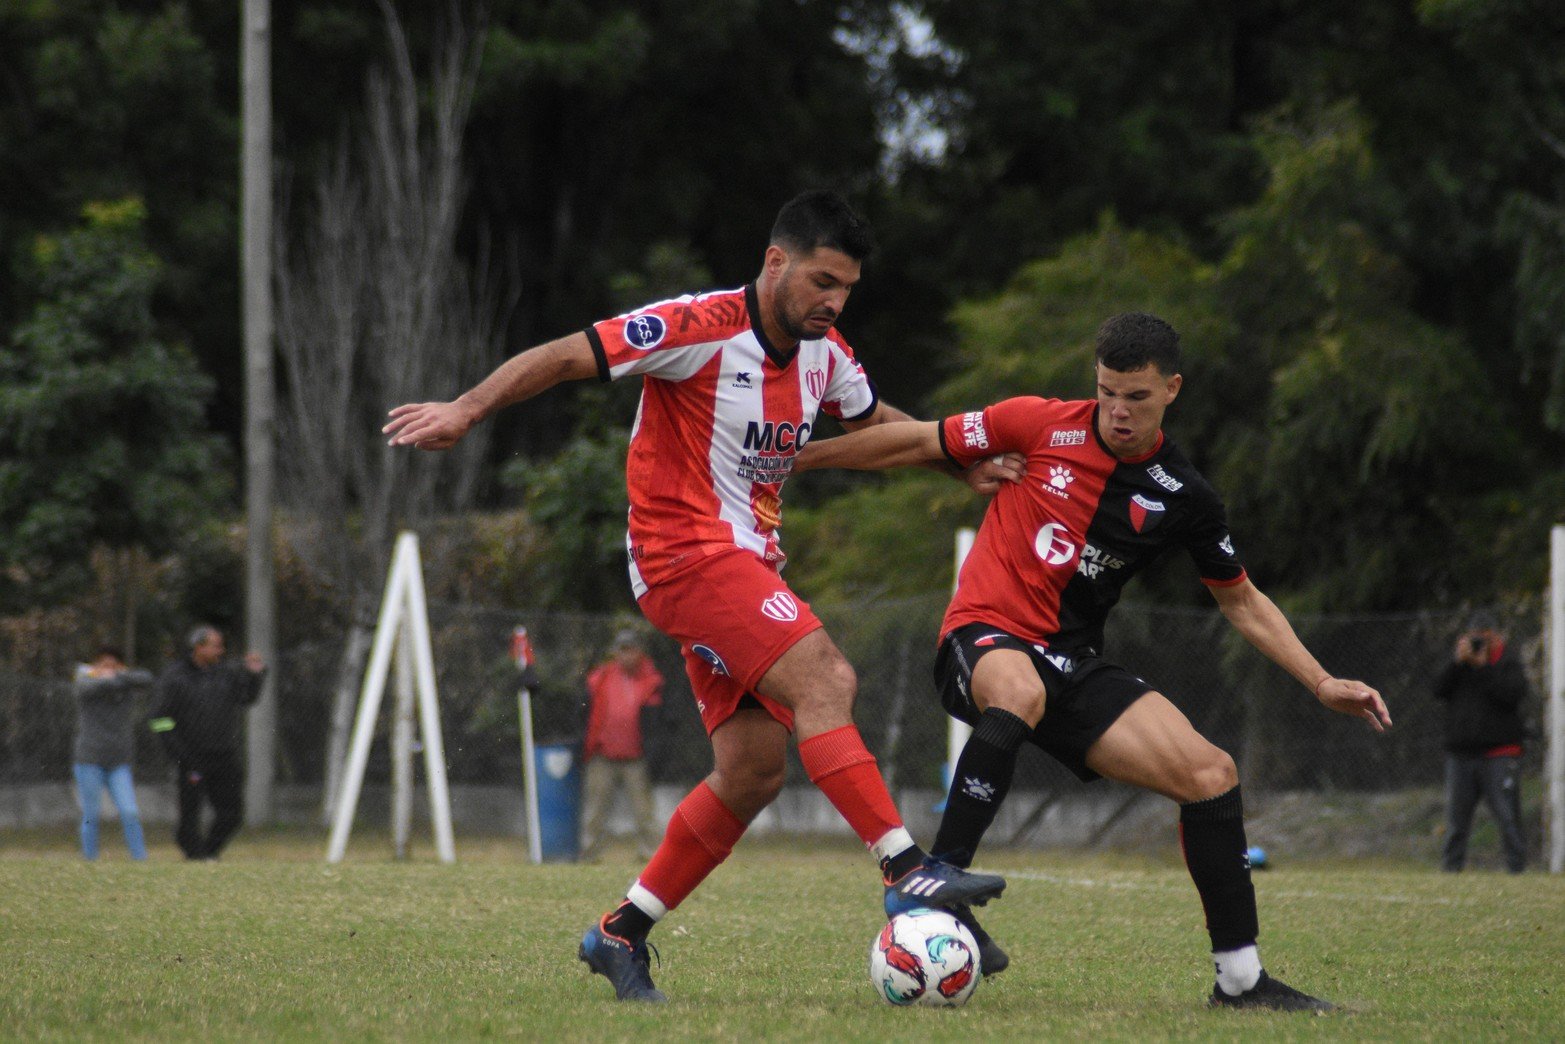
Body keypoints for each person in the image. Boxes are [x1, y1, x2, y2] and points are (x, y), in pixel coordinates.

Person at [385, 190, 1022, 1002]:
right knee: (826, 677)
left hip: (747, 568)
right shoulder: (696, 327)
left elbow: (874, 427)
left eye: (847, 289)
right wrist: (466, 408)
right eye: (822, 281)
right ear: (775, 261)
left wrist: (956, 461)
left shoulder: (826, 356)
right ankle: (906, 873)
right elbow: (565, 354)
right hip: (681, 556)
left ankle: (619, 933)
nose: (833, 301)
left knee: (752, 771)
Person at [794, 311, 1393, 1012]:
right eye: (1106, 391)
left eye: (1135, 396)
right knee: (1017, 688)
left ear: (1171, 389)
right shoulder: (1036, 422)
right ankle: (937, 882)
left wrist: (1320, 681)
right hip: (981, 637)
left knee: (1210, 774)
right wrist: (797, 459)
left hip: (1070, 664)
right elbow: (914, 442)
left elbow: (1243, 602)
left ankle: (1240, 983)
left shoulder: (1185, 496)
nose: (1117, 410)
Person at [148, 625, 266, 861]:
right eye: (215, 646)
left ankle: (209, 852)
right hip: (191, 757)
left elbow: (247, 698)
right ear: (198, 647)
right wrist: (179, 753)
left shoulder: (225, 674)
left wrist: (255, 676)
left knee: (231, 812)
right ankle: (194, 854)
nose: (220, 651)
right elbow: (158, 720)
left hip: (224, 755)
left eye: (221, 646)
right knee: (190, 812)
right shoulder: (175, 676)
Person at [1433, 610, 1530, 874]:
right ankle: (1451, 870)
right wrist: (1458, 662)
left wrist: (1484, 667)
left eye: (1484, 638)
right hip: (1461, 754)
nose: (1479, 644)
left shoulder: (1508, 660)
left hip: (1500, 753)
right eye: (1475, 638)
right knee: (1456, 821)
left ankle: (1517, 869)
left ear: (1496, 637)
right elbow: (1438, 689)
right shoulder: (1459, 663)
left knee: (1507, 816)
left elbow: (1513, 695)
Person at [579, 629, 666, 861]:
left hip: (635, 757)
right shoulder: (601, 677)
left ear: (640, 652)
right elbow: (585, 710)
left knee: (644, 811)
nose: (626, 656)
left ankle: (651, 857)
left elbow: (657, 722)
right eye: (622, 650)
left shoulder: (651, 680)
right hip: (602, 755)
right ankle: (589, 855)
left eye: (631, 650)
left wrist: (654, 753)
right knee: (595, 811)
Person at [72, 646, 154, 861]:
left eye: (113, 664)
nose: (108, 669)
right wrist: (108, 678)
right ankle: (90, 859)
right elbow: (85, 687)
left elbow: (145, 678)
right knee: (91, 814)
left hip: (119, 762)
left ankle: (140, 859)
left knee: (129, 811)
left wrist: (119, 676)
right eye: (103, 664)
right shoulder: (86, 682)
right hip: (89, 759)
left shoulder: (126, 682)